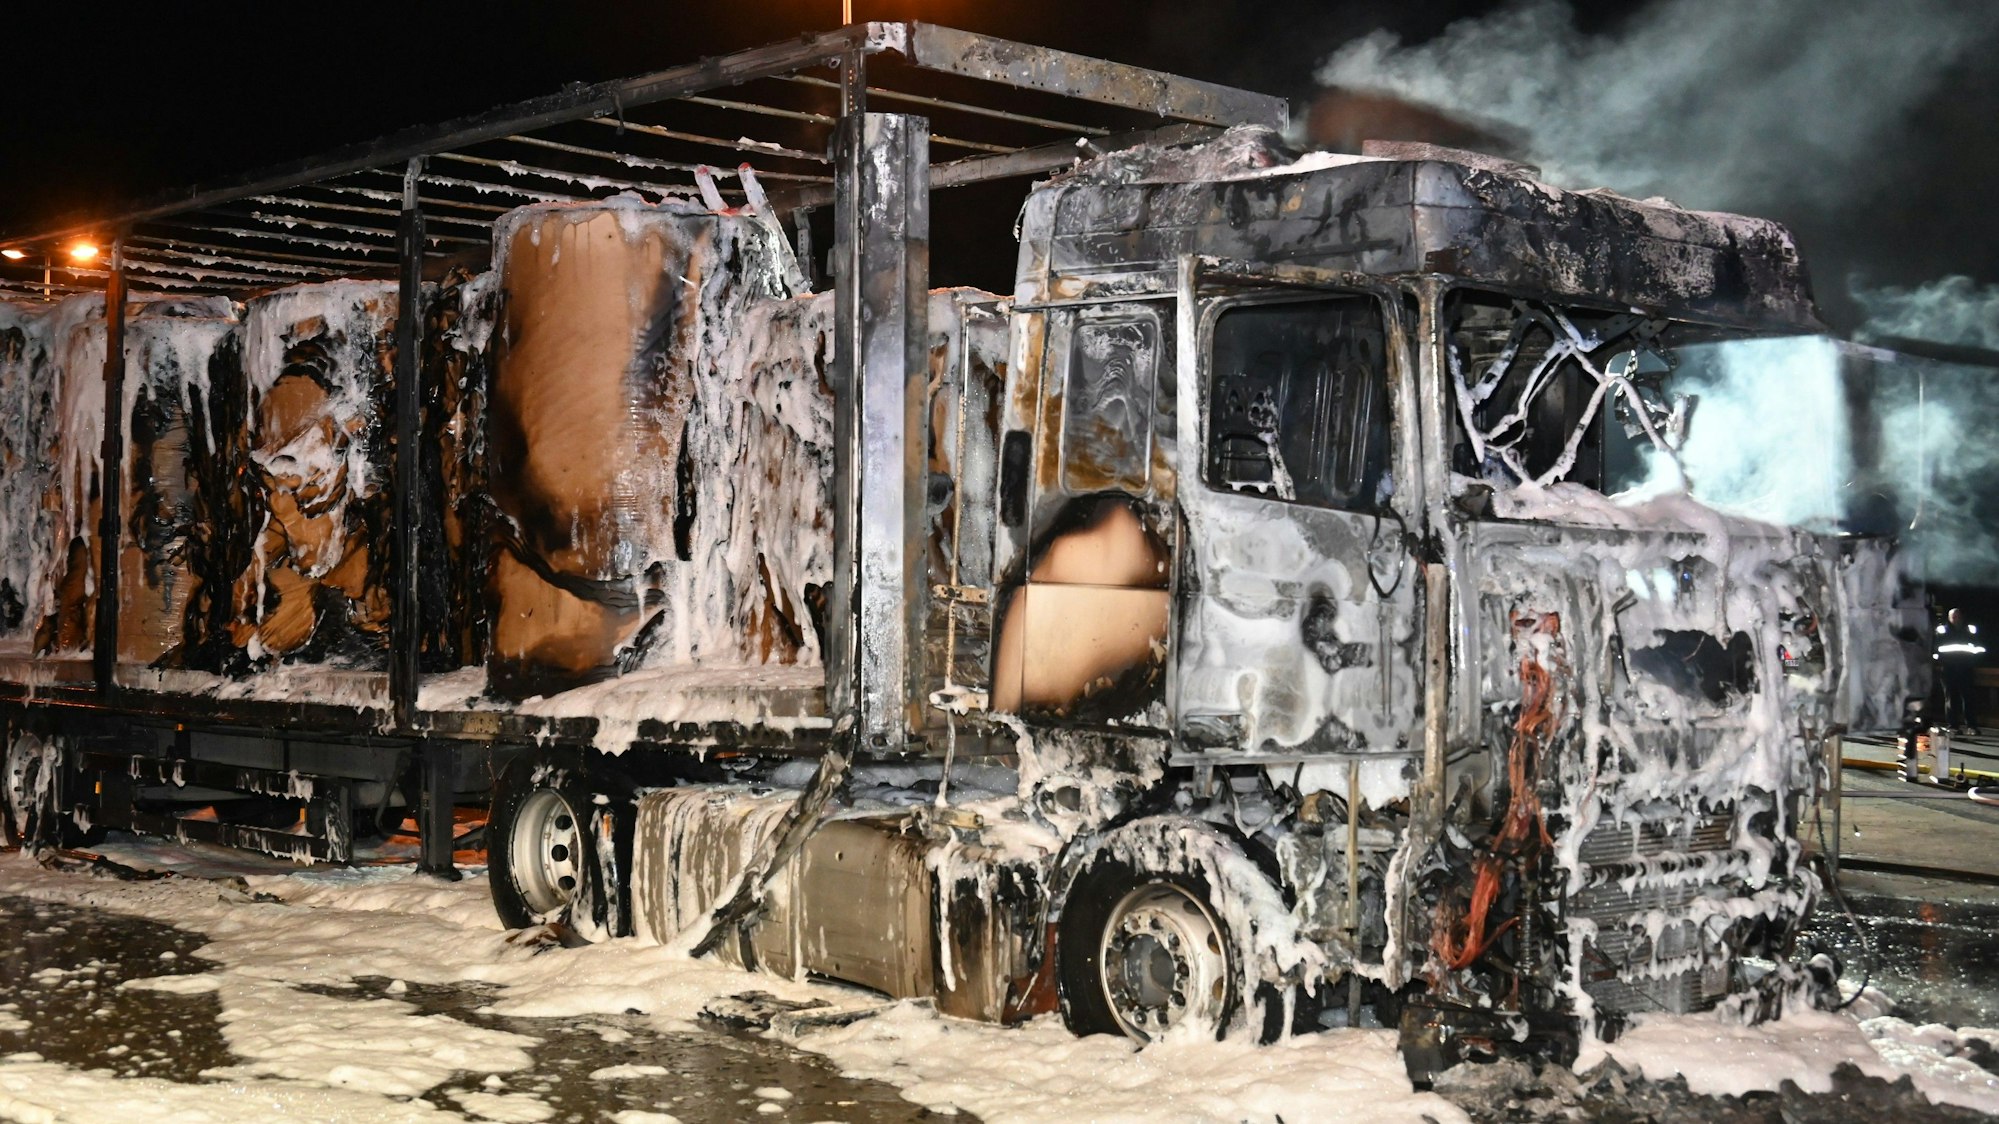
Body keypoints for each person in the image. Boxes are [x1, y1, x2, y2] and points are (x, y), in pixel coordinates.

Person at [1935, 608, 1987, 733]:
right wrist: (1939, 662)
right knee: (1951, 698)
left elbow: (1980, 647)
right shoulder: (1941, 631)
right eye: (1953, 616)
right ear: (1949, 618)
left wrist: (1974, 661)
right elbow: (1935, 648)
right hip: (1948, 669)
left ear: (1962, 617)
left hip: (1966, 668)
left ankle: (1971, 726)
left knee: (1968, 698)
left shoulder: (1970, 630)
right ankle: (1953, 726)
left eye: (1957, 616)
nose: (1956, 619)